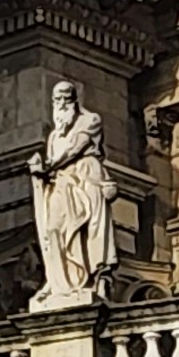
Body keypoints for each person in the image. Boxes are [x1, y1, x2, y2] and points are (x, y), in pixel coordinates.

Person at [28, 80, 115, 309]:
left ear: (74, 99)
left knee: (91, 229)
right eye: (57, 99)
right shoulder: (54, 137)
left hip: (86, 178)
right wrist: (40, 171)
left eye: (65, 97)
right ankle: (59, 280)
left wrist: (48, 165)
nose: (61, 103)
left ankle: (93, 279)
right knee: (53, 228)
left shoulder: (90, 120)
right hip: (61, 183)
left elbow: (76, 147)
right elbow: (54, 160)